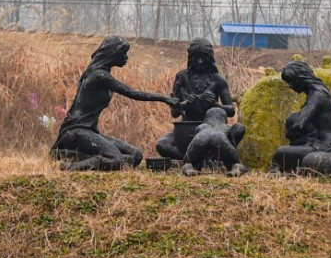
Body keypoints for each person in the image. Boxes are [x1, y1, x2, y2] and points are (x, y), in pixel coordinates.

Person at [50, 35, 173, 171]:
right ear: (113, 54)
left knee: (135, 155)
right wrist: (164, 98)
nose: (126, 58)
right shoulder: (99, 76)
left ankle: (80, 157)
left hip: (88, 131)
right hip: (76, 132)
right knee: (116, 159)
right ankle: (70, 167)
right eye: (123, 53)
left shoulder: (102, 74)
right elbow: (133, 93)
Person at [156, 39, 244, 161]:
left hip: (212, 129)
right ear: (190, 58)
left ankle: (203, 156)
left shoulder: (218, 79)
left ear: (210, 58)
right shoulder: (182, 77)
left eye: (203, 58)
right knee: (162, 145)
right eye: (196, 58)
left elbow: (231, 110)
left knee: (238, 129)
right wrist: (185, 104)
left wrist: (214, 104)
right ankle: (188, 158)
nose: (200, 61)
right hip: (187, 130)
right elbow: (175, 113)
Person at [272, 60, 331, 177]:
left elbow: (300, 124)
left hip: (328, 149)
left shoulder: (318, 95)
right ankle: (293, 171)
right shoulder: (315, 94)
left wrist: (291, 128)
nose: (290, 86)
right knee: (285, 153)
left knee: (281, 152)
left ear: (300, 78)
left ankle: (281, 171)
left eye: (291, 81)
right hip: (317, 146)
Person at [181, 106, 247, 177]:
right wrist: (236, 159)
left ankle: (188, 167)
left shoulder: (201, 126)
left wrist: (197, 166)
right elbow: (232, 144)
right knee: (237, 163)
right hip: (219, 137)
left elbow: (195, 145)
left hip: (201, 137)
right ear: (224, 118)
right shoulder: (226, 127)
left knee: (188, 161)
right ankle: (236, 169)